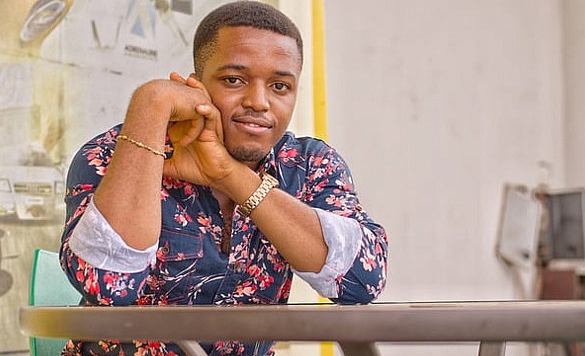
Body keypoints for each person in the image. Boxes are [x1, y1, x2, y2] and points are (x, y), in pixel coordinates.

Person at [59, 2, 388, 355]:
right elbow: (108, 285)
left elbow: (362, 280)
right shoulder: (117, 154)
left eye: (280, 86)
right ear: (196, 87)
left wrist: (230, 176)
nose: (259, 102)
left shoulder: (308, 166)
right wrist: (151, 103)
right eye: (234, 80)